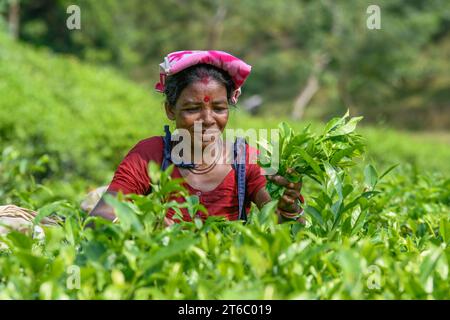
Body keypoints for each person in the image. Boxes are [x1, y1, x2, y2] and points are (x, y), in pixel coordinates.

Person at [89, 50, 304, 225]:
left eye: (219, 108)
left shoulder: (246, 159)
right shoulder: (150, 155)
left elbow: (283, 225)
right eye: (192, 109)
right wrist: (145, 221)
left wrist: (288, 209)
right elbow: (100, 218)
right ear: (170, 110)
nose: (208, 119)